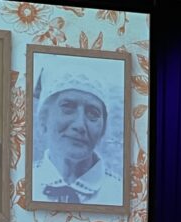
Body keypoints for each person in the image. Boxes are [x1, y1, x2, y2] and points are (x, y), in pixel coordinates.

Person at [31, 62, 122, 206]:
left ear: (103, 130)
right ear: (44, 119)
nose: (80, 125)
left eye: (93, 113)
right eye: (68, 107)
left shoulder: (120, 193)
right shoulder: (21, 182)